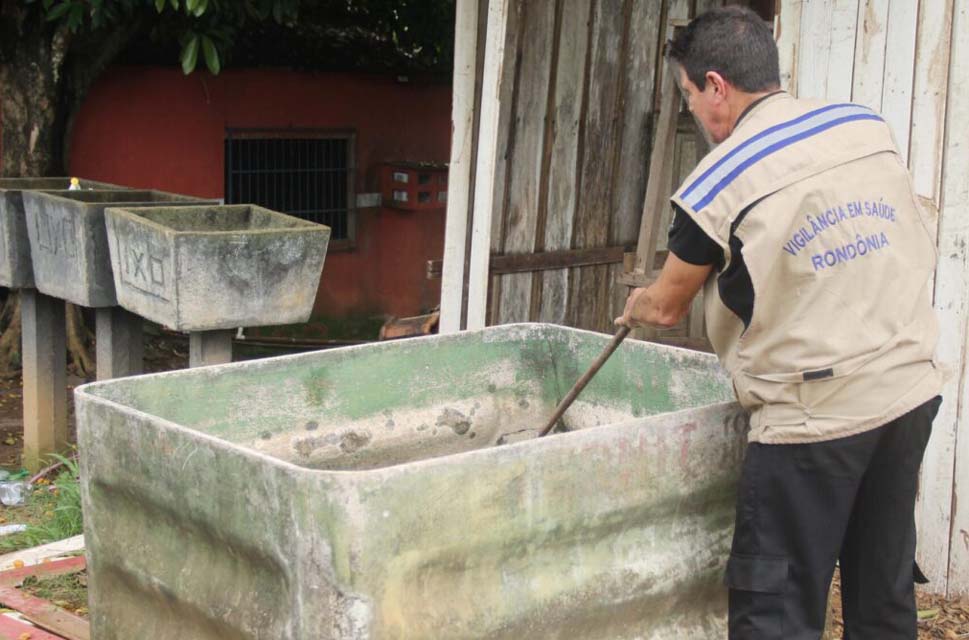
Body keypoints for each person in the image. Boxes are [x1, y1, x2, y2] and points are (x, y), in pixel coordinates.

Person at [615, 7, 945, 639]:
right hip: (906, 396)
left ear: (716, 86)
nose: (694, 114)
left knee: (777, 615)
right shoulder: (861, 125)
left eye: (689, 97)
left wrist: (635, 305)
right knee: (884, 599)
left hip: (811, 424)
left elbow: (666, 304)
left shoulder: (719, 180)